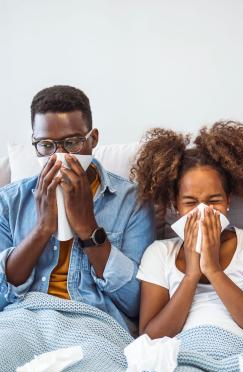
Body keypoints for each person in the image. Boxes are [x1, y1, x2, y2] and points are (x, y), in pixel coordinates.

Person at [0, 85, 155, 330]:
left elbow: (137, 302)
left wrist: (88, 228)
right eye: (47, 145)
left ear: (92, 139)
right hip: (24, 319)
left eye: (71, 143)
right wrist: (42, 229)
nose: (59, 155)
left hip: (94, 324)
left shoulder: (132, 201)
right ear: (34, 143)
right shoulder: (9, 202)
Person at [131, 121, 243, 346]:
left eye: (214, 201)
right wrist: (192, 274)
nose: (203, 212)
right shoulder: (159, 252)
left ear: (228, 200)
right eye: (191, 202)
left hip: (239, 350)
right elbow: (150, 338)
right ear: (175, 205)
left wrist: (213, 270)